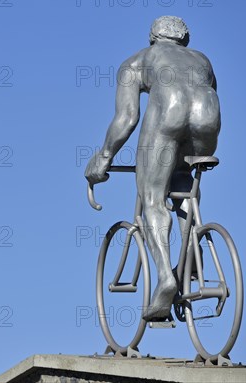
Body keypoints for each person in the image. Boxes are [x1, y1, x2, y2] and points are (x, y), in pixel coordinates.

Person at [84, 16, 220, 321]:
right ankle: (191, 258)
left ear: (152, 37)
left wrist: (103, 157)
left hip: (169, 114)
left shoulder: (137, 61)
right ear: (185, 38)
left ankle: (165, 278)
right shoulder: (202, 60)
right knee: (185, 186)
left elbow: (127, 120)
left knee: (152, 199)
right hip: (207, 118)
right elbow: (212, 93)